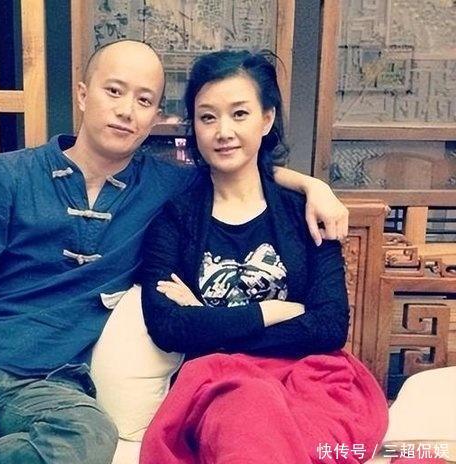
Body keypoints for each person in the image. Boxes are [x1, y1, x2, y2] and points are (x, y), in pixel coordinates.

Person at [0, 40, 348, 464]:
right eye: (114, 91)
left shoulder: (165, 186)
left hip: (55, 385)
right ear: (83, 94)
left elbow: (237, 163)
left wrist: (314, 187)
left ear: (154, 117)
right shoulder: (7, 174)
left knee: (91, 438)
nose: (127, 110)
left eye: (144, 101)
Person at [139, 50, 388, 464]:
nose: (223, 132)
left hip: (312, 379)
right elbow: (167, 325)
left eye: (239, 114)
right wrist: (274, 311)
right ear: (194, 127)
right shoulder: (175, 219)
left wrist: (208, 321)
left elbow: (328, 326)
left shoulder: (306, 213)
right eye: (207, 117)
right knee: (249, 412)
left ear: (266, 119)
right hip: (222, 384)